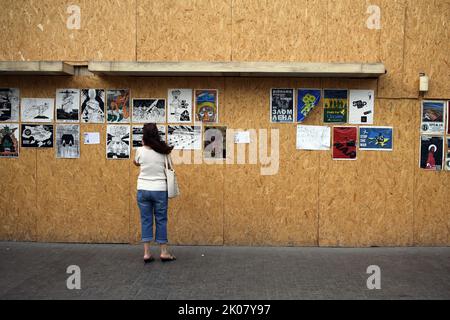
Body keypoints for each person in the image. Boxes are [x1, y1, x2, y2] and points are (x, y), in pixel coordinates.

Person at [133, 123, 176, 263]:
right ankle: (163, 252)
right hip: (159, 190)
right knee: (161, 220)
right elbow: (169, 166)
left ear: (144, 135)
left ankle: (146, 253)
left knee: (146, 220)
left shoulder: (140, 150)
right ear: (157, 133)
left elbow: (136, 163)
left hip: (143, 189)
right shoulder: (163, 150)